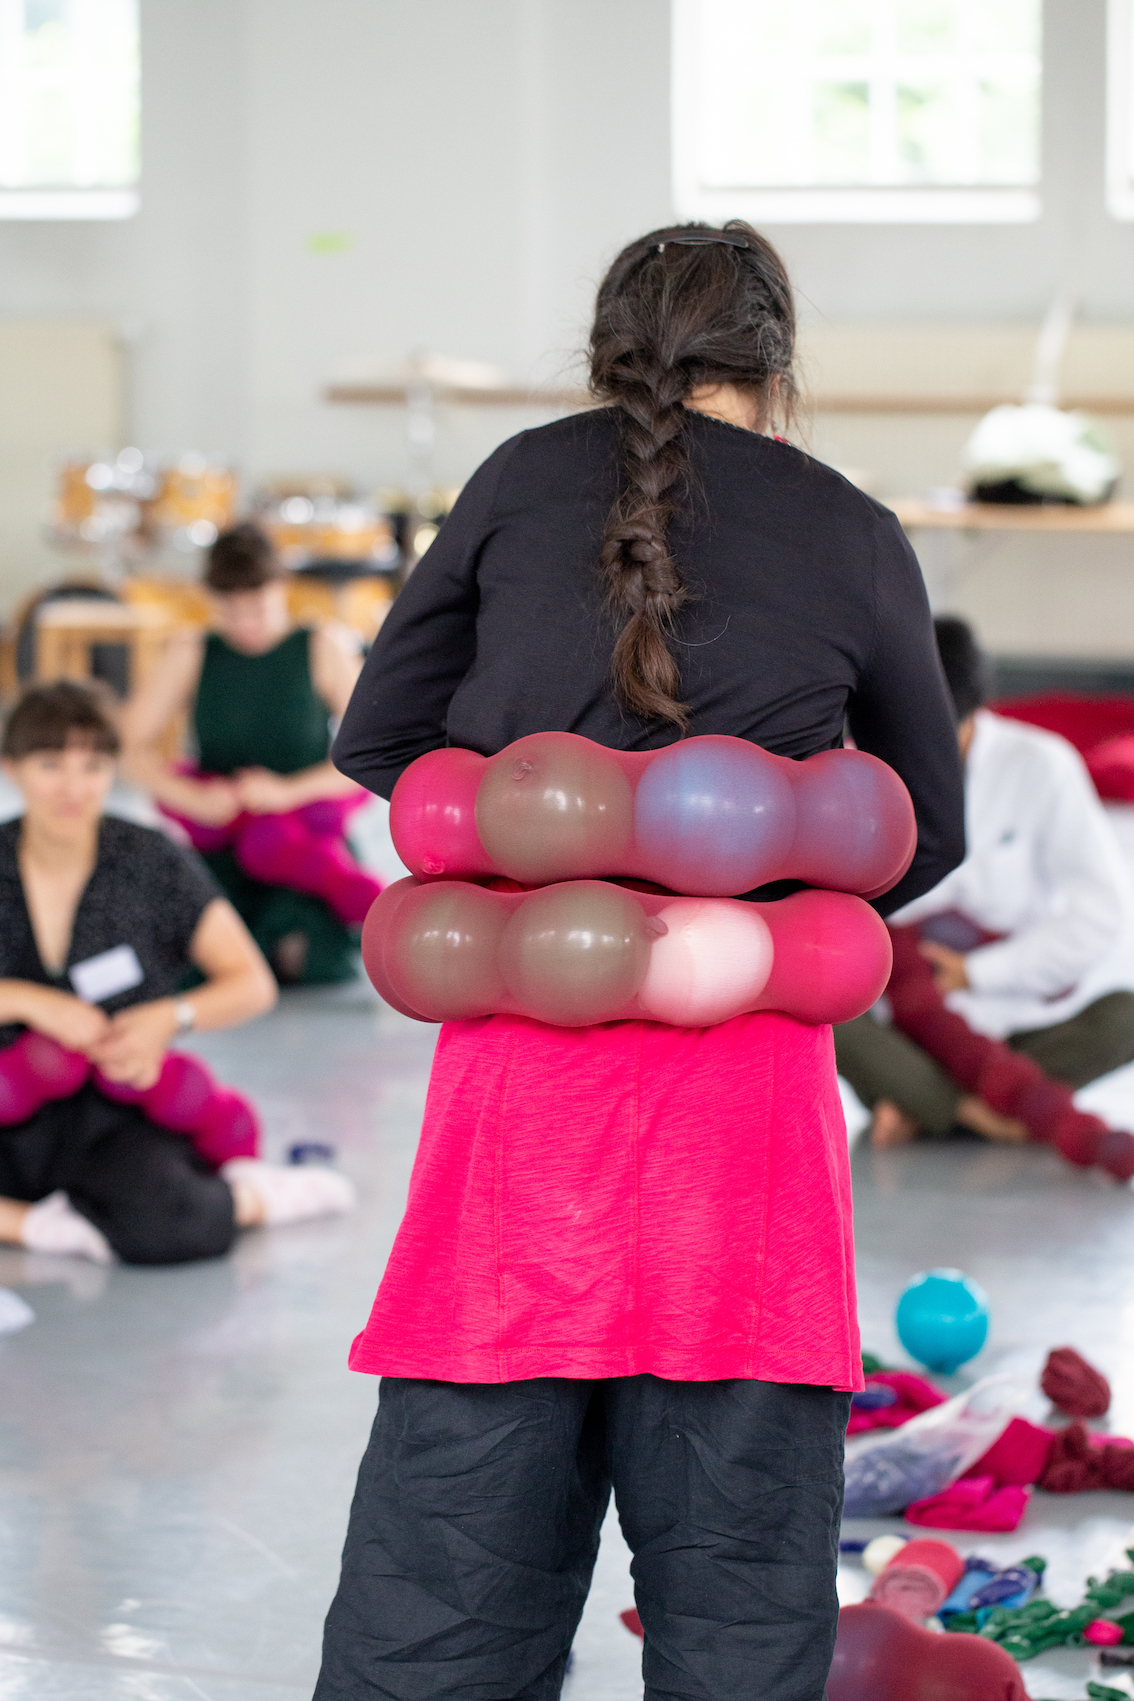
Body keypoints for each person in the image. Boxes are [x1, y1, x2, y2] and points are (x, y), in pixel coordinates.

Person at [316, 222, 965, 1701]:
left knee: (446, 1604)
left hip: (518, 1121)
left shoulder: (515, 481)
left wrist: (548, 854)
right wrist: (745, 889)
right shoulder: (850, 527)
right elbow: (922, 831)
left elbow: (378, 737)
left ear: (609, 352)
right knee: (738, 1613)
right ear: (776, 367)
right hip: (743, 1137)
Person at [0, 681, 355, 1266]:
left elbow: (252, 983)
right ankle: (38, 1225)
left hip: (115, 1101)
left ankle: (262, 1196)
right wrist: (27, 1001)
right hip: (9, 1097)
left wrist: (170, 1016)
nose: (73, 787)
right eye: (50, 765)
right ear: (12, 768)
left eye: (92, 766)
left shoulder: (150, 861)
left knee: (173, 1225)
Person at [836, 617, 1134, 1149]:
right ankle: (977, 1110)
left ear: (970, 711)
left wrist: (976, 974)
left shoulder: (1041, 764)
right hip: (904, 1028)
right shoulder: (858, 768)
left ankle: (929, 1107)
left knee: (1126, 1016)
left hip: (1019, 1026)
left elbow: (1099, 914)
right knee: (814, 1007)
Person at [121, 522, 381, 986]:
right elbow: (126, 748)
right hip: (224, 840)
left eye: (257, 609)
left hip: (304, 837)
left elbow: (373, 752)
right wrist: (189, 796)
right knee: (201, 960)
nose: (245, 626)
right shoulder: (193, 650)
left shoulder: (320, 645)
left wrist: (287, 792)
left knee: (305, 957)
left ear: (281, 588)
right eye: (231, 612)